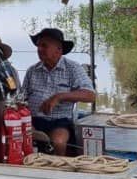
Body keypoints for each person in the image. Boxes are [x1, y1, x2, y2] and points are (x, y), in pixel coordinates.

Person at [22, 28, 95, 156]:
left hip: (60, 121)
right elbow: (22, 98)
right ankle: (31, 163)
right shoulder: (32, 70)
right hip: (34, 119)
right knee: (24, 135)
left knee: (59, 142)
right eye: (38, 46)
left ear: (59, 50)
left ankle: (58, 165)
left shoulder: (73, 68)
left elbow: (90, 95)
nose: (39, 49)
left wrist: (59, 97)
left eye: (44, 46)